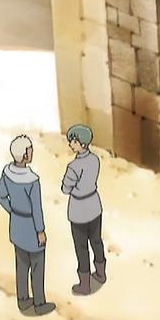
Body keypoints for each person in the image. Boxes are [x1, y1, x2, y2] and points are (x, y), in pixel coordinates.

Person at [0, 135, 55, 316]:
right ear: (24, 154)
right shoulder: (32, 180)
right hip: (31, 227)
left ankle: (22, 300)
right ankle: (39, 303)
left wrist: (13, 211)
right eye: (30, 149)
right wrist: (40, 231)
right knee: (37, 266)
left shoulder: (7, 173)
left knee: (21, 265)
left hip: (16, 225)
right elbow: (37, 209)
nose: (32, 152)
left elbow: (0, 196)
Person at [61, 124, 107, 295]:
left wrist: (75, 188)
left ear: (81, 143)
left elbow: (65, 188)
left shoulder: (73, 167)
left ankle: (85, 284)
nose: (71, 145)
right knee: (96, 241)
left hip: (79, 211)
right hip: (94, 205)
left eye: (73, 142)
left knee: (81, 248)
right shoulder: (95, 160)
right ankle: (101, 273)